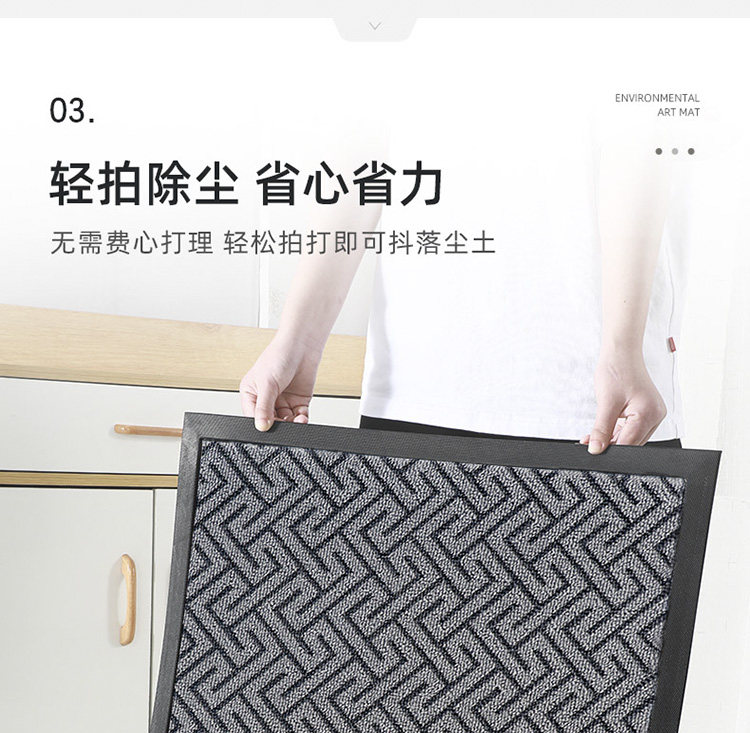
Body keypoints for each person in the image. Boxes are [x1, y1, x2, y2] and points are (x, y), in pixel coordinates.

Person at [240, 69, 685, 454]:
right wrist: (298, 339)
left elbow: (641, 139)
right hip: (415, 382)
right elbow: (361, 156)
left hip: (587, 394)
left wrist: (622, 349)